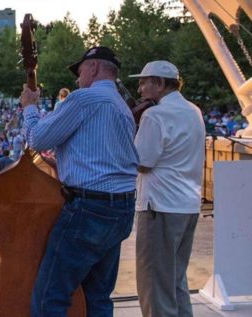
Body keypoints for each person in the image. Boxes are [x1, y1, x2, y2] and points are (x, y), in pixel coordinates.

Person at [21, 47, 138, 316]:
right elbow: (102, 155)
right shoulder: (121, 105)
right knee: (97, 296)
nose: (77, 78)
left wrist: (29, 108)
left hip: (89, 209)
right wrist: (64, 163)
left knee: (50, 297)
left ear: (94, 67)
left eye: (81, 71)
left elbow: (37, 139)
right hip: (121, 207)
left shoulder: (84, 99)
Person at [130, 61, 205, 317]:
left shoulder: (155, 115)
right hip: (187, 205)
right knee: (175, 282)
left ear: (160, 84)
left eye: (144, 82)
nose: (140, 89)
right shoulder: (194, 110)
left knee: (155, 287)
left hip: (159, 207)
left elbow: (142, 162)